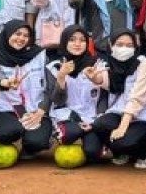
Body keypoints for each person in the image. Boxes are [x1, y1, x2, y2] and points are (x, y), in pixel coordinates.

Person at [92, 29, 146, 168]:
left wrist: (123, 126)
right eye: (119, 44)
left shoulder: (145, 63)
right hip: (120, 109)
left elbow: (138, 95)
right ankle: (121, 151)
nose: (124, 48)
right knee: (100, 125)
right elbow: (108, 83)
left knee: (125, 140)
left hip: (143, 112)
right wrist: (94, 78)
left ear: (136, 47)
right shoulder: (112, 62)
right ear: (111, 45)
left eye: (129, 45)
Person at [0, 19, 54, 156]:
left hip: (36, 109)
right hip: (6, 108)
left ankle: (30, 147)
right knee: (7, 133)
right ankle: (3, 135)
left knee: (37, 142)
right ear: (7, 35)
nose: (21, 38)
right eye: (17, 34)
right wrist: (5, 82)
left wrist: (42, 110)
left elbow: (51, 86)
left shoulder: (41, 55)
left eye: (25, 35)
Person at [46, 25, 107, 165]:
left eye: (82, 40)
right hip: (67, 115)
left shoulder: (98, 65)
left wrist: (97, 120)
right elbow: (57, 100)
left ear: (87, 43)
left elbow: (104, 97)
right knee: (67, 135)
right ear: (64, 42)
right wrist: (61, 76)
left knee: (93, 153)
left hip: (92, 115)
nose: (77, 44)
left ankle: (92, 137)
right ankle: (74, 131)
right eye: (72, 40)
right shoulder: (54, 66)